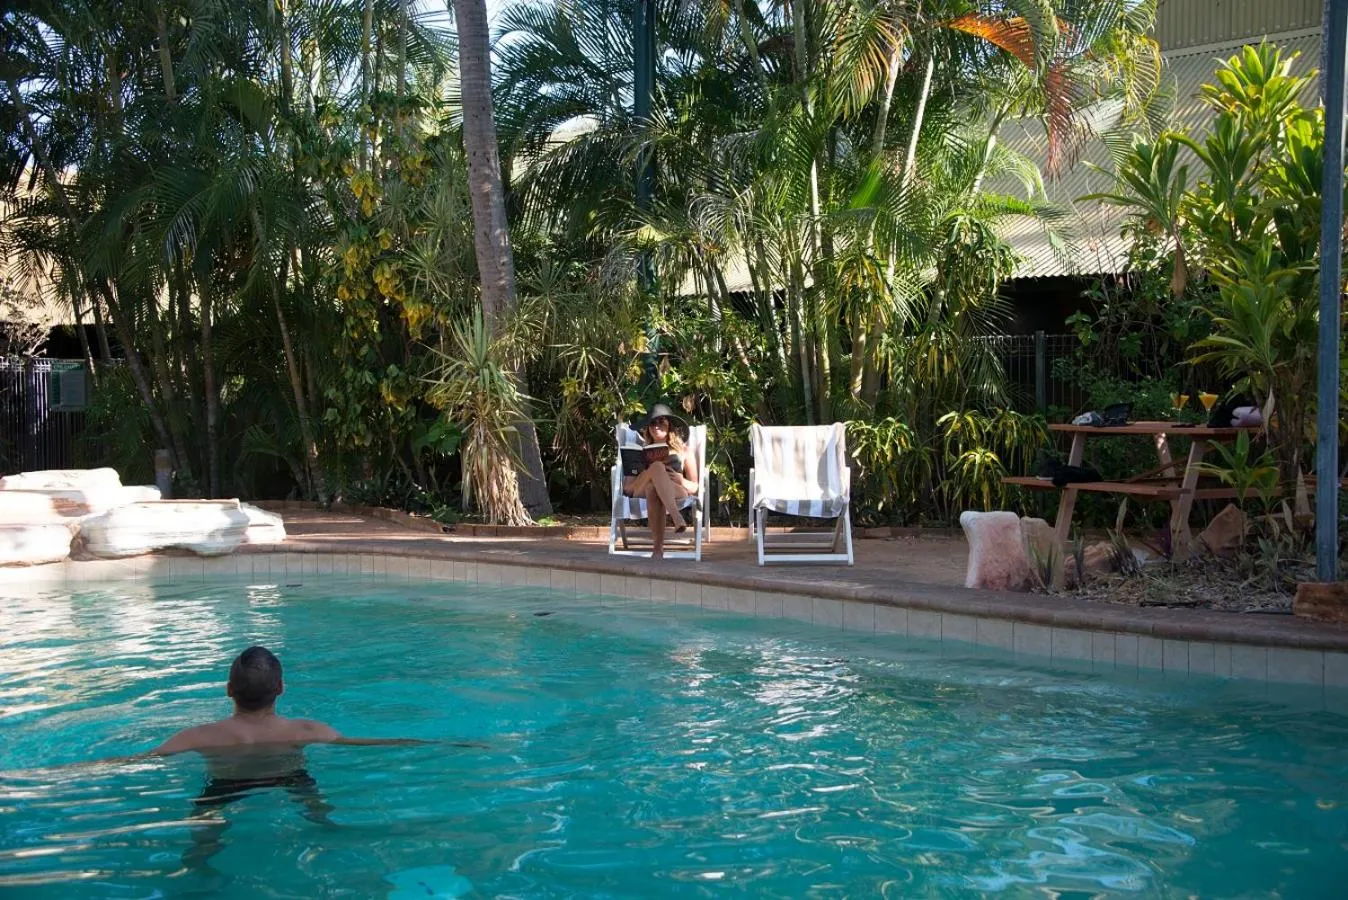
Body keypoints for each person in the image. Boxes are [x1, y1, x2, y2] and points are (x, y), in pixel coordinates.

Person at [623, 403, 699, 560]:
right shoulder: (639, 452)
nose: (656, 426)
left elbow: (694, 486)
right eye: (652, 422)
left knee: (653, 488)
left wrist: (681, 480)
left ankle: (657, 550)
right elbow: (628, 489)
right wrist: (648, 472)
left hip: (675, 488)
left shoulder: (684, 451)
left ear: (669, 425)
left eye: (661, 421)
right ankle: (676, 516)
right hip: (640, 486)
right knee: (656, 468)